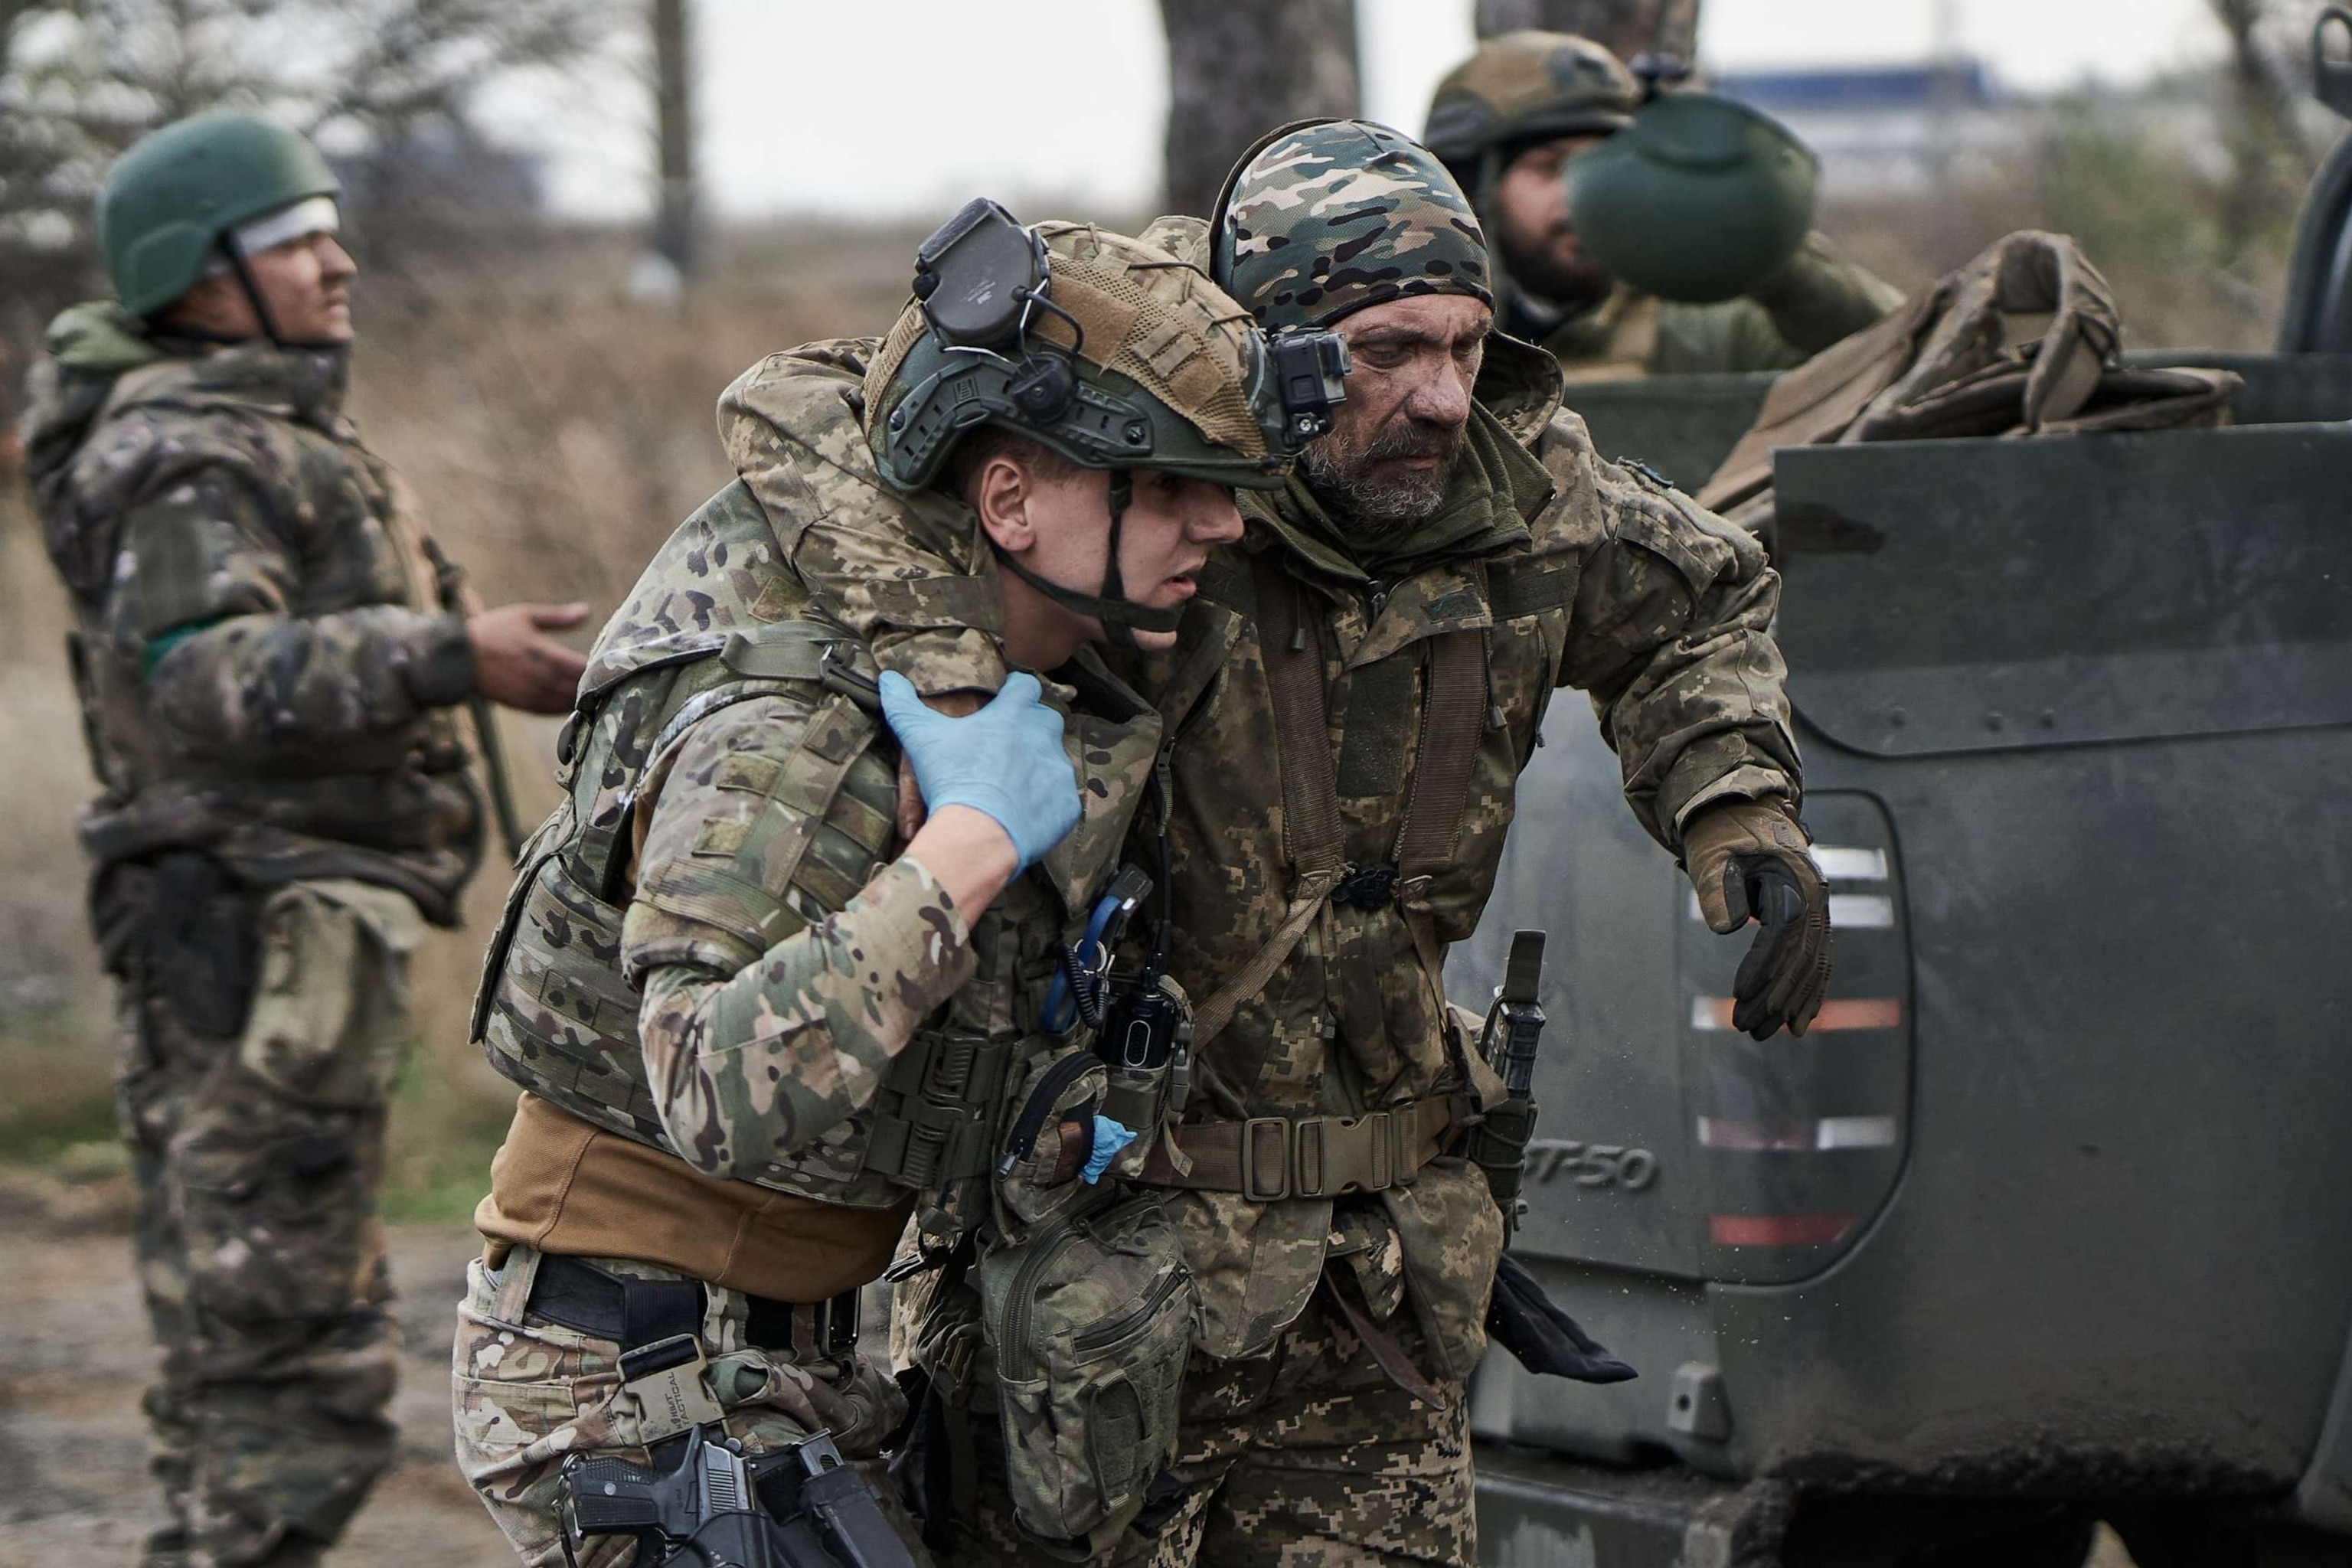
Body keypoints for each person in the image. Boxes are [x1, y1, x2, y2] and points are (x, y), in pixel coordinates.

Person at [784, 120, 1834, 1566]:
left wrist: (1733, 801)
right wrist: (952, 689)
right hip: (1096, 1287)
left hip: (1376, 1292)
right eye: (1389, 349)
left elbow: (1704, 605)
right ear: (1268, 346)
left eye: (1466, 346)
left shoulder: (1530, 503)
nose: (1442, 397)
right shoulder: (1139, 488)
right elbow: (803, 423)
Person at [449, 211, 1326, 1566]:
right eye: (1160, 486)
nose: (1215, 520)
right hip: (628, 1377)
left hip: (780, 1359)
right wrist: (969, 843)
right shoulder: (791, 722)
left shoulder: (986, 651)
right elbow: (709, 1082)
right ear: (1009, 500)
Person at [18, 111, 587, 1568]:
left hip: (285, 938)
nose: (339, 264)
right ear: (196, 278)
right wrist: (452, 655)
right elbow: (201, 678)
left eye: (331, 230)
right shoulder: (185, 455)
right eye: (295, 244)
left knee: (271, 1352)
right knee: (281, 1371)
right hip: (247, 938)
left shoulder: (255, 425)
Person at [1423, 31, 1904, 380]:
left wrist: (1766, 252)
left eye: (1607, 169)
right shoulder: (1415, 333)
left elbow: (1902, 352)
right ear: (1468, 189)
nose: (1585, 197)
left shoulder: (1698, 324)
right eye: (1553, 168)